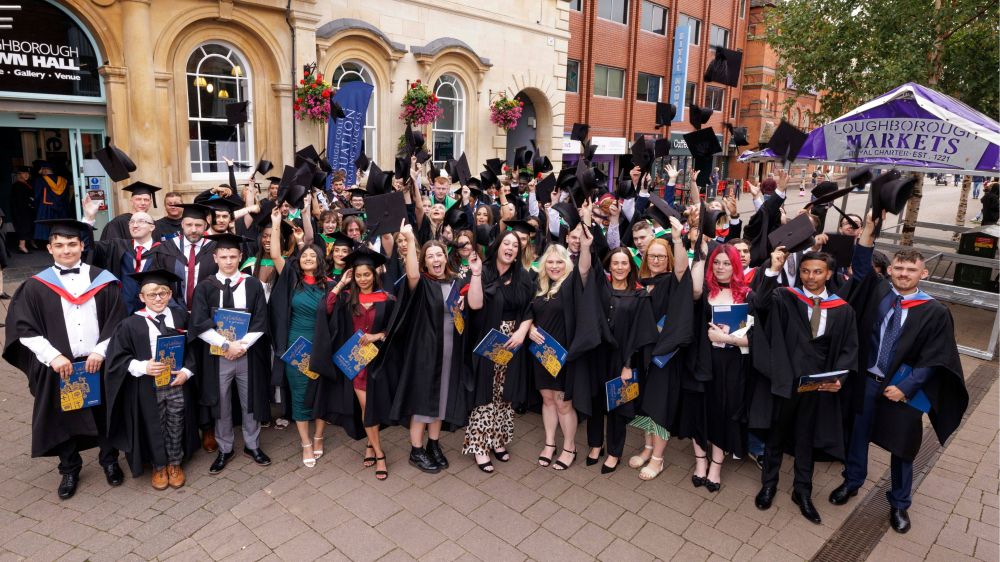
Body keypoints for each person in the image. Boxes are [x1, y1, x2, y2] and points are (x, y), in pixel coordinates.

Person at [830, 212, 967, 534]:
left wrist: (906, 387)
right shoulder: (878, 293)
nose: (904, 274)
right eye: (899, 268)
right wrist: (867, 234)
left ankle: (899, 503)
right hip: (867, 381)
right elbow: (861, 267)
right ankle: (851, 482)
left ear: (924, 272)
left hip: (902, 390)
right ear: (890, 270)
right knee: (857, 436)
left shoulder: (934, 312)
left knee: (902, 448)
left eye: (911, 269)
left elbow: (937, 357)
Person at [3, 218, 126, 499]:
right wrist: (53, 356)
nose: (66, 250)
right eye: (59, 245)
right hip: (61, 365)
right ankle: (69, 468)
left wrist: (100, 351)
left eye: (72, 244)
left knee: (105, 412)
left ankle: (109, 462)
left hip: (98, 360)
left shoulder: (102, 280)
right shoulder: (35, 286)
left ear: (82, 246)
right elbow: (23, 329)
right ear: (50, 249)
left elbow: (117, 322)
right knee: (63, 416)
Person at [752, 252, 859, 524]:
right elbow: (760, 305)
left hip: (817, 384)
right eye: (806, 271)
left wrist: (839, 379)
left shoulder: (843, 309)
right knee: (776, 435)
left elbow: (849, 349)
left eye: (817, 272)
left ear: (829, 274)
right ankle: (769, 484)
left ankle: (802, 491)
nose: (811, 277)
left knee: (806, 438)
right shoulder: (785, 298)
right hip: (786, 379)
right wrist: (772, 271)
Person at [368, 222, 471, 474]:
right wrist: (410, 239)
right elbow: (412, 273)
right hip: (426, 353)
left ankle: (434, 445)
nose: (436, 260)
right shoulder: (421, 283)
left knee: (442, 399)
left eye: (439, 255)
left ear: (446, 258)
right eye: (430, 256)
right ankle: (416, 450)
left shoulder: (454, 282)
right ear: (424, 262)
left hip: (449, 352)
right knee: (423, 402)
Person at [104, 270, 200, 489]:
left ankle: (175, 463)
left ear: (169, 294)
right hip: (148, 385)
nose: (158, 298)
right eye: (152, 294)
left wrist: (187, 371)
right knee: (154, 423)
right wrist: (143, 366)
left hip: (177, 383)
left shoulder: (181, 317)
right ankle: (159, 465)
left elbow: (194, 349)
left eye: (163, 293)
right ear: (141, 297)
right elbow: (117, 359)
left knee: (176, 422)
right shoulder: (130, 324)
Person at [189, 233, 273, 474]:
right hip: (217, 357)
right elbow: (199, 322)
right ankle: (225, 448)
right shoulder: (205, 286)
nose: (228, 261)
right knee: (222, 403)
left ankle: (252, 445)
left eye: (233, 256)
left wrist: (241, 346)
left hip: (247, 354)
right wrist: (226, 346)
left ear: (241, 256)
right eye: (223, 256)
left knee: (250, 401)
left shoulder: (252, 284)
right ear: (215, 257)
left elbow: (260, 320)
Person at [314, 246, 396, 479]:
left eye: (366, 274)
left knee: (374, 406)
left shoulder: (388, 300)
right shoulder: (348, 298)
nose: (362, 279)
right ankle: (380, 454)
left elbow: (396, 330)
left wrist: (377, 335)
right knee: (366, 406)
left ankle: (370, 444)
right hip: (356, 363)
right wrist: (341, 283)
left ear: (375, 274)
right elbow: (325, 308)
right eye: (358, 275)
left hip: (379, 361)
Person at [626, 218, 691, 481]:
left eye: (661, 256)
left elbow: (682, 270)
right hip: (643, 352)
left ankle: (658, 459)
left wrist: (677, 240)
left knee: (660, 405)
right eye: (651, 255)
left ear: (668, 259)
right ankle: (648, 447)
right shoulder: (640, 282)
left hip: (665, 354)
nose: (655, 260)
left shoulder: (672, 281)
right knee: (645, 403)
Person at [465, 229, 535, 473]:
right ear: (497, 246)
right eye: (506, 243)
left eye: (515, 246)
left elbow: (529, 309)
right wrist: (475, 274)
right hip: (488, 339)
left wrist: (521, 332)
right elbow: (474, 304)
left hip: (513, 341)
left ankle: (498, 439)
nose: (510, 248)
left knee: (505, 393)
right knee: (486, 391)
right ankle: (480, 446)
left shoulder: (523, 276)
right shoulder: (483, 271)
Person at [587, 246, 658, 473]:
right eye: (615, 263)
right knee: (596, 401)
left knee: (617, 405)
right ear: (609, 266)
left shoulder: (639, 295)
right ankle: (596, 444)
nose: (619, 267)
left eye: (624, 263)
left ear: (631, 267)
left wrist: (628, 365)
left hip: (622, 358)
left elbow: (640, 334)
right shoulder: (600, 289)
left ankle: (614, 452)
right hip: (598, 354)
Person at [267, 226, 332, 469]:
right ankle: (305, 442)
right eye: (304, 255)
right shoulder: (292, 281)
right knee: (301, 392)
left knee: (322, 391)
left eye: (312, 256)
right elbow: (275, 255)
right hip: (296, 344)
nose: (307, 258)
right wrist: (276, 224)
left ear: (320, 261)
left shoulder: (329, 285)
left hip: (322, 345)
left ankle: (319, 436)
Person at [527, 240, 594, 471]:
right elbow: (528, 313)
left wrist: (585, 247)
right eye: (550, 262)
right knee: (547, 399)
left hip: (565, 355)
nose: (554, 266)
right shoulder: (540, 286)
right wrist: (530, 328)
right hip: (541, 354)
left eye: (559, 262)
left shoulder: (572, 285)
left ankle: (569, 447)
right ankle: (549, 444)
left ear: (567, 264)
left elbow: (584, 268)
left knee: (563, 403)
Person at [84, 201, 169, 313]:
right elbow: (86, 247)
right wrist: (89, 220)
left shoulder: (165, 251)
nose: (135, 225)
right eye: (131, 222)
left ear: (152, 227)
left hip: (153, 314)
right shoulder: (116, 246)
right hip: (121, 312)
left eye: (141, 221)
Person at [33, 162, 72, 240]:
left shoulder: (40, 180)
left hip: (46, 207)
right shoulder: (63, 180)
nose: (41, 171)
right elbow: (67, 195)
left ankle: (49, 242)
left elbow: (37, 195)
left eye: (42, 169)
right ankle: (60, 240)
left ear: (45, 170)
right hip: (61, 207)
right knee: (60, 225)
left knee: (47, 226)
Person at [11, 166, 36, 253]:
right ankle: (22, 246)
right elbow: (19, 201)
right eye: (23, 173)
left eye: (28, 173)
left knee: (28, 226)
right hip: (21, 210)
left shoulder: (26, 184)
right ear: (19, 174)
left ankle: (28, 243)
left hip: (27, 209)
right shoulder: (17, 185)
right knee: (23, 226)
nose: (26, 175)